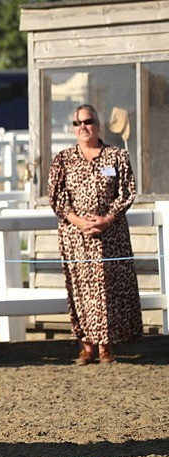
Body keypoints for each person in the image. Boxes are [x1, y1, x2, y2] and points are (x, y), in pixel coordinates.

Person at [47, 103, 142, 365]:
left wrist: (108, 218)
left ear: (98, 125)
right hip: (76, 238)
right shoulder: (63, 159)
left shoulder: (116, 157)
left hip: (110, 236)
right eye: (77, 123)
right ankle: (86, 347)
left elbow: (127, 192)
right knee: (81, 290)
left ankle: (106, 347)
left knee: (109, 290)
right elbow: (56, 196)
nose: (83, 127)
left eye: (87, 122)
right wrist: (78, 221)